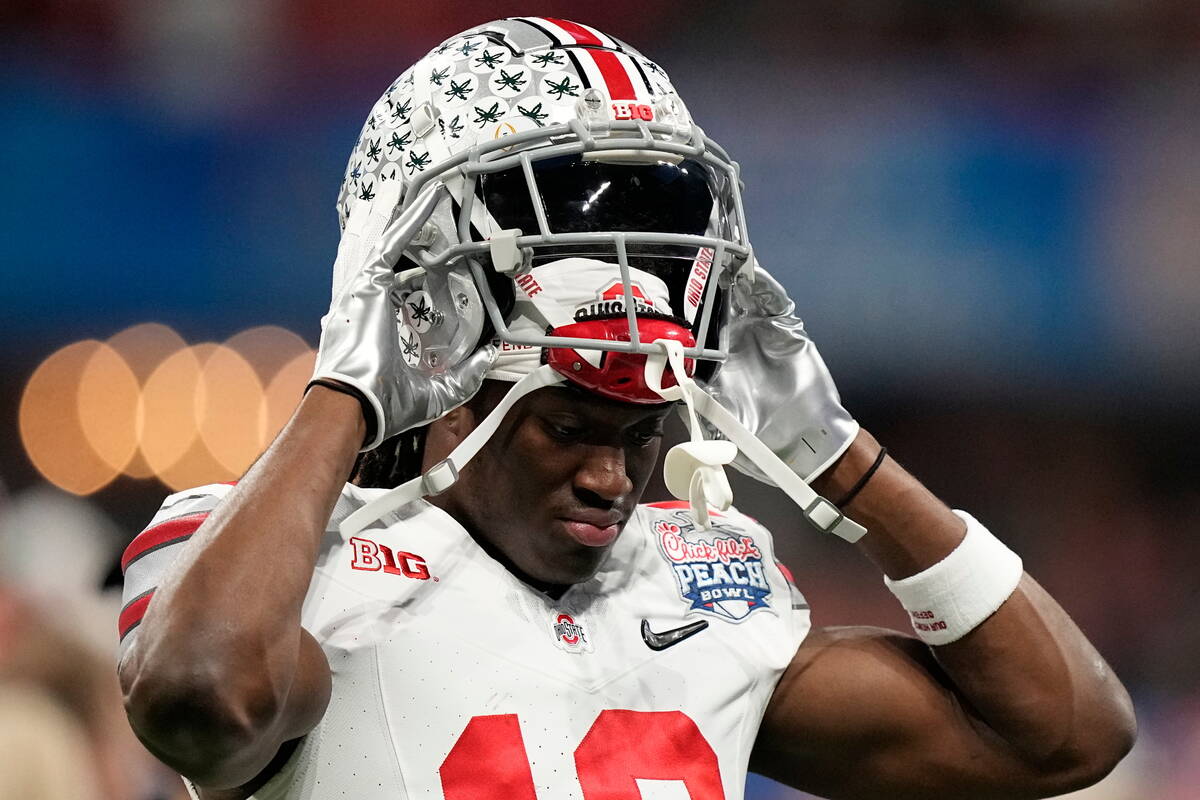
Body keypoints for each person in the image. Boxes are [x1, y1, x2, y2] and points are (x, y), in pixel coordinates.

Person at [118, 18, 1135, 800]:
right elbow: (203, 695)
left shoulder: (696, 587)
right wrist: (346, 388)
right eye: (566, 425)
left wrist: (841, 457)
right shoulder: (265, 563)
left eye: (639, 436)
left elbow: (1066, 732)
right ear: (432, 337)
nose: (611, 477)